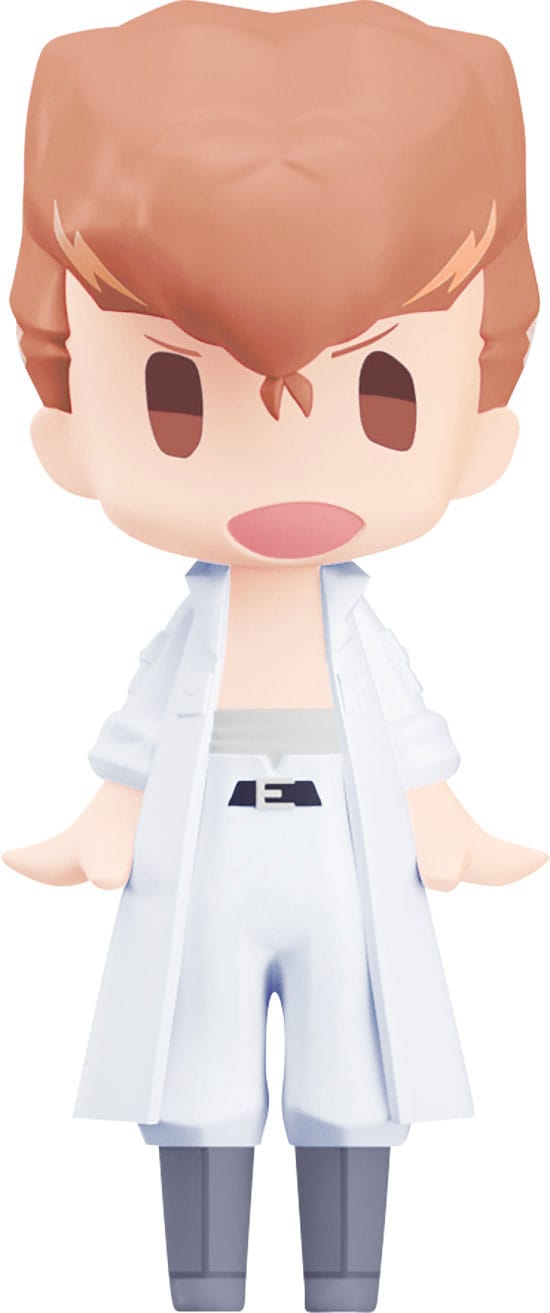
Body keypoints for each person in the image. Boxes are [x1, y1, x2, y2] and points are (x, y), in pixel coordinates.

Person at [4, 3, 546, 1310]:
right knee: (195, 1080)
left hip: (343, 872)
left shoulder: (355, 638)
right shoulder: (188, 643)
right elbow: (142, 744)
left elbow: (406, 745)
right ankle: (203, 1283)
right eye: (174, 396)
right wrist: (101, 827)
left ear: (479, 424)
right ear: (68, 427)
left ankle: (345, 1283)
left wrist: (449, 830)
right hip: (204, 875)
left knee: (351, 1077)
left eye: (383, 392)